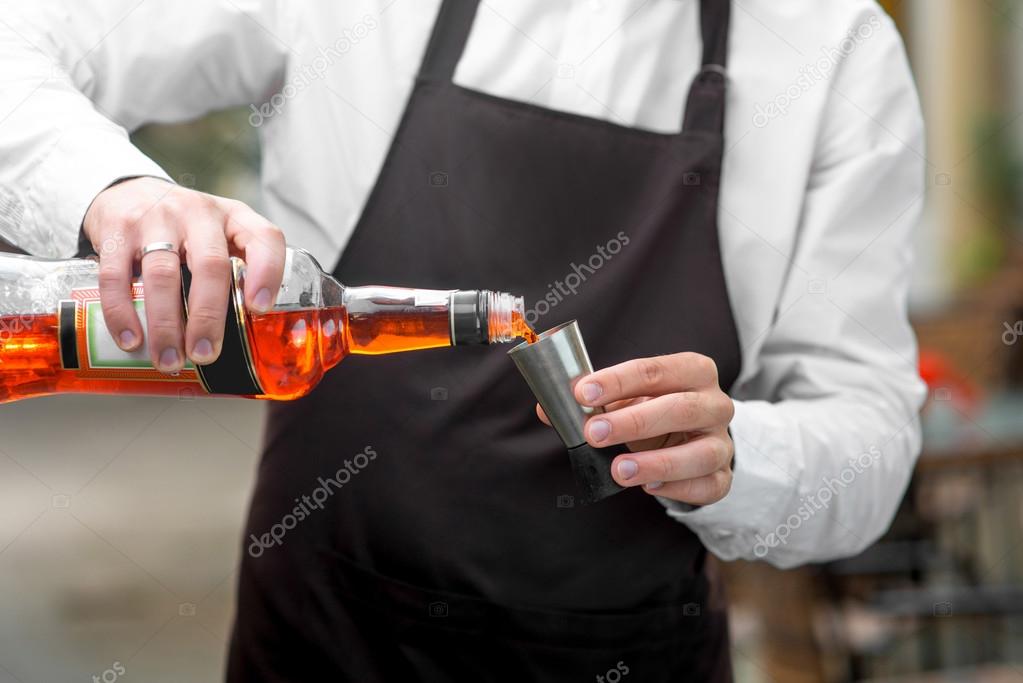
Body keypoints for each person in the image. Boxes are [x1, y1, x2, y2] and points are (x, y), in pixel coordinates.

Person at [0, 0, 926, 680]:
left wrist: (740, 454)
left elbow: (871, 438)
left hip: (626, 654)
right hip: (324, 640)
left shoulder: (831, 51)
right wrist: (117, 193)